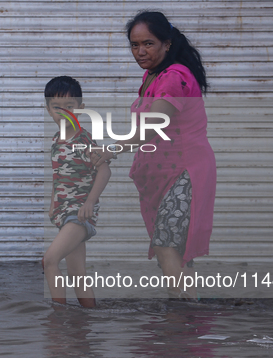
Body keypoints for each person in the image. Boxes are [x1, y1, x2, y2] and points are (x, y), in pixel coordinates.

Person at [92, 11, 216, 300]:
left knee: (166, 243)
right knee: (172, 249)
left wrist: (110, 149)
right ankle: (185, 320)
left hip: (186, 171)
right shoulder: (152, 76)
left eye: (148, 43)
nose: (140, 51)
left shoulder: (174, 77)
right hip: (162, 175)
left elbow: (152, 127)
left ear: (167, 44)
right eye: (134, 45)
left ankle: (183, 318)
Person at [43, 76, 111, 308]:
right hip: (64, 213)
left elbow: (104, 171)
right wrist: (54, 204)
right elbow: (58, 175)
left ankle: (57, 316)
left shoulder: (83, 139)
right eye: (56, 107)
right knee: (76, 271)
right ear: (48, 109)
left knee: (49, 260)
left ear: (80, 110)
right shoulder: (56, 141)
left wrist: (90, 202)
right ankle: (89, 316)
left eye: (69, 107)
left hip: (79, 213)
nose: (63, 113)